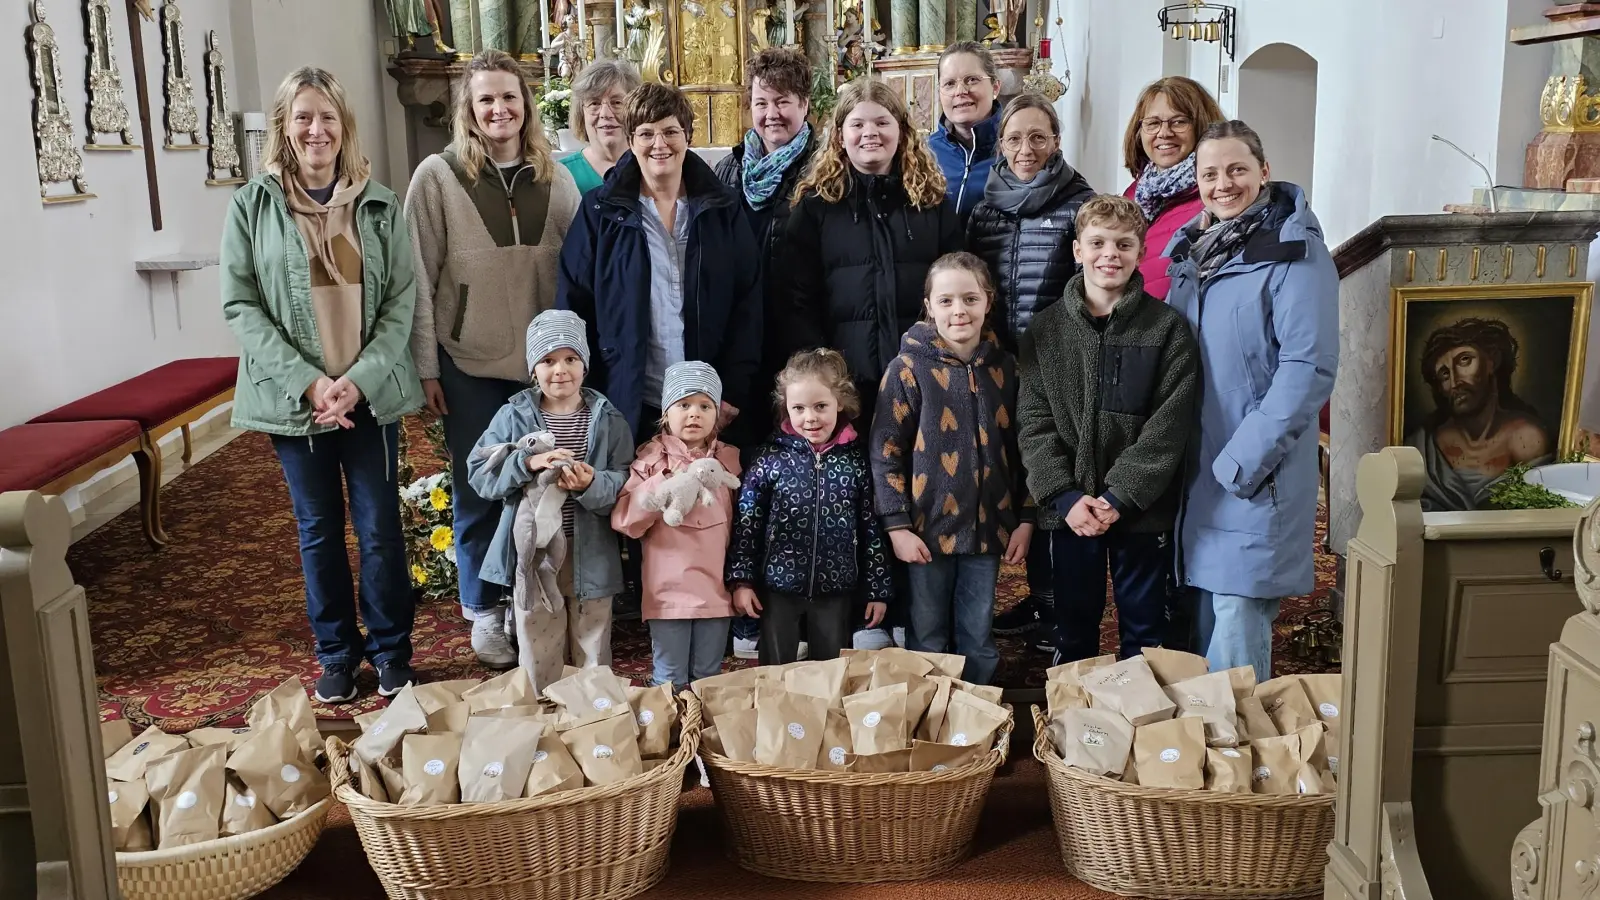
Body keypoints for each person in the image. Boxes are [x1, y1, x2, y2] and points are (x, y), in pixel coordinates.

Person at [221, 67, 422, 704]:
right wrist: (310, 383)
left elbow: (400, 304)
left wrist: (356, 382)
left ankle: (391, 649)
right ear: (284, 126)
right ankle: (335, 652)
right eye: (304, 117)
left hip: (370, 396)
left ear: (344, 127)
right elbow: (241, 306)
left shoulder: (381, 204)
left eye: (328, 117)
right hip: (295, 400)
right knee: (318, 530)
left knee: (381, 528)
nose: (317, 129)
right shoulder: (252, 205)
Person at [406, 49, 581, 668]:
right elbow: (418, 281)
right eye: (486, 99)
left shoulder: (555, 179)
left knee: (543, 489)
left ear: (527, 104)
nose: (499, 109)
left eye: (510, 97)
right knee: (480, 487)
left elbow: (576, 278)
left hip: (543, 373)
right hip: (470, 361)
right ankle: (483, 608)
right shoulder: (438, 177)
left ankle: (528, 601)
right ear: (469, 109)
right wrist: (426, 365)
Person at [1165, 120, 1338, 682]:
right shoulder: (1195, 254)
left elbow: (1307, 370)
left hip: (1252, 472)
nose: (1223, 184)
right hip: (1198, 469)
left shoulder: (1295, 251)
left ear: (1264, 172)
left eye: (1237, 169)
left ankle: (1240, 759)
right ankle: (1208, 756)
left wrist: (1242, 461)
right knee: (1205, 630)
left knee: (1236, 632)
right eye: (1209, 173)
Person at [1016, 195, 1200, 663]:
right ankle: (1072, 726)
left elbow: (1168, 425)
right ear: (1077, 250)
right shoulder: (1045, 331)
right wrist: (1063, 495)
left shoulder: (1167, 330)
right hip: (1069, 511)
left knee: (1144, 628)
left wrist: (1120, 496)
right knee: (1073, 625)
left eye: (1123, 244)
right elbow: (1034, 423)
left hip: (1140, 512)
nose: (1109, 255)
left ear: (1141, 252)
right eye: (1097, 243)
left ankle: (1142, 725)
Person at [557, 82, 763, 439]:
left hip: (708, 401)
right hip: (628, 398)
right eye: (646, 133)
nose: (659, 144)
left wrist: (732, 390)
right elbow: (574, 305)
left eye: (671, 132)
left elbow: (749, 302)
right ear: (631, 139)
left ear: (688, 135)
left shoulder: (724, 207)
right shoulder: (599, 212)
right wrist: (588, 392)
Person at [966, 92, 1094, 650]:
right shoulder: (984, 207)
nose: (1026, 148)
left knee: (1050, 486)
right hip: (994, 363)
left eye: (1038, 137)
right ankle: (994, 602)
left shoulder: (1078, 204)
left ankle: (1052, 607)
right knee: (998, 481)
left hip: (1053, 366)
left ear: (1057, 141)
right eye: (1015, 138)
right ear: (1001, 143)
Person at [870, 252, 1033, 685]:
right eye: (945, 301)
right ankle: (932, 720)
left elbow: (1026, 448)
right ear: (929, 305)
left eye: (969, 299)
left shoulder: (1007, 369)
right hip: (925, 532)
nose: (958, 310)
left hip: (989, 530)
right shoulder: (906, 370)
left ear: (988, 301)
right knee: (927, 636)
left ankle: (975, 723)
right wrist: (897, 527)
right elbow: (884, 451)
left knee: (978, 635)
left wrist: (1027, 518)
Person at [713, 46, 819, 659]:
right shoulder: (728, 172)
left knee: (805, 482)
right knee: (751, 481)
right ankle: (749, 607)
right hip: (744, 351)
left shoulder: (822, 168)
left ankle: (807, 607)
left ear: (804, 105)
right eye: (761, 102)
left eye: (783, 101)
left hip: (801, 344)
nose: (772, 113)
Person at [465, 310, 634, 692]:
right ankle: (542, 711)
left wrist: (593, 482)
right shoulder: (513, 416)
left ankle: (594, 718)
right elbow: (480, 474)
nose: (560, 370)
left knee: (592, 639)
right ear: (532, 369)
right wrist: (525, 463)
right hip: (534, 553)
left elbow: (625, 480)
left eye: (571, 359)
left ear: (585, 365)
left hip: (590, 551)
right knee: (538, 639)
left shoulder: (607, 419)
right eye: (548, 360)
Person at [785, 76, 963, 433]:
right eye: (858, 124)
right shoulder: (816, 208)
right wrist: (825, 373)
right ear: (839, 136)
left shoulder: (930, 204)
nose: (871, 132)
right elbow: (796, 300)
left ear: (902, 132)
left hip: (924, 374)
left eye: (882, 122)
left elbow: (957, 285)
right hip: (846, 387)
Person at [728, 349, 893, 664]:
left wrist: (877, 589)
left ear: (840, 402)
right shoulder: (769, 459)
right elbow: (747, 524)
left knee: (829, 669)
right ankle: (775, 714)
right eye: (798, 408)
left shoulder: (857, 461)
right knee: (774, 669)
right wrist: (743, 580)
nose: (810, 417)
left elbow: (872, 528)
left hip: (837, 588)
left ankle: (826, 715)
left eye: (820, 406)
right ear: (785, 407)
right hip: (777, 586)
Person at [611, 362, 743, 687]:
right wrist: (661, 486)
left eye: (704, 406)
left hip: (716, 591)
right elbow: (625, 521)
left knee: (708, 679)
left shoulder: (729, 463)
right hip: (667, 593)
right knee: (669, 679)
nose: (694, 414)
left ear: (717, 414)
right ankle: (669, 736)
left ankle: (699, 736)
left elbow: (745, 528)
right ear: (665, 413)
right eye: (683, 405)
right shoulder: (649, 462)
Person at [1407, 317, 1553, 511]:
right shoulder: (1424, 447)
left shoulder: (1527, 439)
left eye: (1464, 360)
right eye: (1444, 374)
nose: (1455, 381)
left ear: (1492, 360)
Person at [1120, 76, 1225, 300]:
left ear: (1202, 127)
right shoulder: (1134, 194)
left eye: (1178, 122)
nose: (1164, 133)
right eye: (1153, 123)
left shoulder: (1218, 197)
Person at [927, 41, 1003, 220]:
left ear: (995, 87)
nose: (960, 91)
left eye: (972, 80)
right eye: (949, 84)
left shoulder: (1015, 150)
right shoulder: (923, 153)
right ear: (939, 92)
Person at [560, 59, 643, 194]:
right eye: (594, 103)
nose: (605, 114)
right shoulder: (562, 175)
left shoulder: (653, 166)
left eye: (616, 102)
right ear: (581, 113)